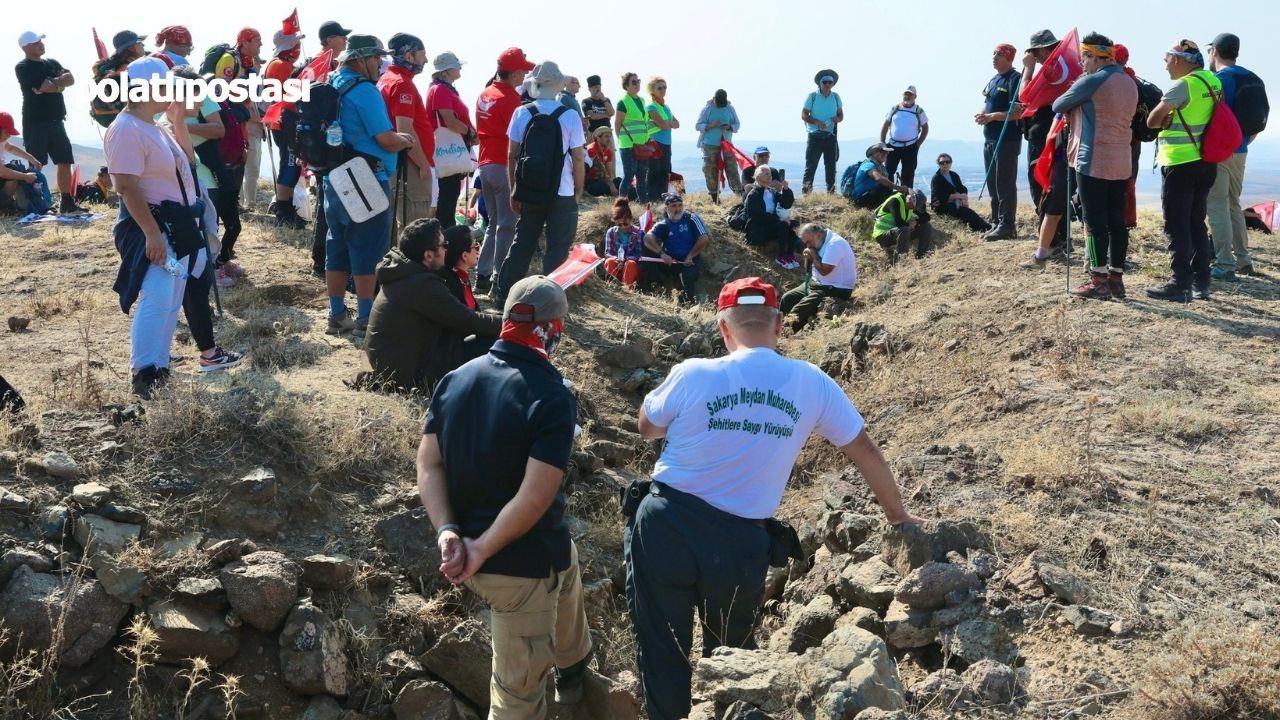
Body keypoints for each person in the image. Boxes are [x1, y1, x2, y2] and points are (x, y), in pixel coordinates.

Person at [628, 276, 924, 720]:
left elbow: (647, 426)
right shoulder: (811, 383)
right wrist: (897, 513)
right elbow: (863, 448)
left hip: (667, 525)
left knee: (662, 649)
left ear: (723, 327)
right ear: (779, 325)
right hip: (739, 542)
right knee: (734, 659)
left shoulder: (693, 373)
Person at [418, 275, 592, 717]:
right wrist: (480, 549)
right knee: (516, 699)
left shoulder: (456, 380)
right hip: (517, 571)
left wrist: (449, 531)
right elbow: (534, 499)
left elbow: (429, 464)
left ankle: (573, 671)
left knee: (566, 556)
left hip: (467, 551)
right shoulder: (551, 396)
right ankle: (561, 681)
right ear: (555, 329)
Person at [107, 57, 221, 397]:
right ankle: (144, 372)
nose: (172, 90)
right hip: (154, 226)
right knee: (158, 295)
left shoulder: (153, 126)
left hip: (177, 225)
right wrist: (152, 234)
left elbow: (187, 162)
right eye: (165, 84)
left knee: (171, 296)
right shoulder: (126, 128)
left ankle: (159, 367)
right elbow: (126, 186)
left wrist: (177, 121)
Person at [322, 34, 415, 338]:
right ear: (361, 59)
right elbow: (385, 139)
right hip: (365, 178)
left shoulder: (331, 83)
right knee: (368, 249)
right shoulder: (364, 91)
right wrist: (405, 140)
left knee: (336, 245)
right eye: (376, 58)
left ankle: (337, 314)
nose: (380, 63)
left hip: (332, 176)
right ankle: (366, 319)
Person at [365, 218, 501, 393]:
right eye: (444, 245)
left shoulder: (406, 272)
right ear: (428, 255)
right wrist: (514, 323)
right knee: (493, 342)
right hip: (405, 378)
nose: (447, 249)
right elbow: (468, 320)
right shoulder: (421, 284)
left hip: (397, 364)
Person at [1051, 33, 1138, 301]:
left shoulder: (1092, 81)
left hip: (1092, 159)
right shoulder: (1129, 82)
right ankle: (1116, 279)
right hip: (1122, 160)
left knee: (1094, 221)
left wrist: (1080, 84)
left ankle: (1097, 280)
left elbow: (1058, 104)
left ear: (1092, 56)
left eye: (1083, 58)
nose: (1081, 64)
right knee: (1117, 221)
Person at [496, 61, 586, 304]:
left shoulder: (521, 112)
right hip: (562, 191)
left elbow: (511, 155)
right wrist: (578, 191)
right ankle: (550, 302)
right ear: (558, 85)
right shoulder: (569, 115)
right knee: (557, 249)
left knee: (522, 243)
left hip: (530, 190)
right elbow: (578, 158)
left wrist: (515, 190)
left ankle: (504, 294)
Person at [1144, 40, 1219, 303]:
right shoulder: (1211, 81)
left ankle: (1180, 285)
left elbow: (1152, 120)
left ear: (1178, 59)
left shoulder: (1182, 85)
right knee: (1196, 222)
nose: (1165, 66)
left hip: (1179, 163)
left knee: (1177, 225)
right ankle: (1202, 283)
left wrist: (1164, 117)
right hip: (1207, 162)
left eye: (1166, 60)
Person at [475, 47, 535, 295]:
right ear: (513, 73)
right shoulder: (510, 98)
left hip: (484, 164)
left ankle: (482, 275)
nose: (525, 77)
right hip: (502, 164)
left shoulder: (485, 93)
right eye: (523, 71)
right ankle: (500, 281)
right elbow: (518, 135)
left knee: (493, 224)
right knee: (507, 226)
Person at [1206, 33, 1258, 280]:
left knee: (1217, 206)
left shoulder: (1218, 80)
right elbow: (1256, 120)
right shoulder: (1251, 77)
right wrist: (1243, 140)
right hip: (1242, 150)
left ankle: (1224, 264)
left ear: (1214, 51)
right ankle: (1244, 260)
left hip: (1220, 152)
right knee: (1233, 205)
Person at [15, 31, 84, 214]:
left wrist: (54, 85)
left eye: (41, 42)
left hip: (57, 120)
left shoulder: (52, 63)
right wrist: (55, 85)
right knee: (36, 163)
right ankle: (37, 204)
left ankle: (67, 202)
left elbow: (70, 79)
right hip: (35, 122)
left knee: (64, 161)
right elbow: (43, 86)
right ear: (26, 47)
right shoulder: (23, 67)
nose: (41, 45)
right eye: (36, 42)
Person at [308, 21, 354, 273]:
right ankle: (322, 260)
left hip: (318, 144)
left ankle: (321, 258)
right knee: (330, 206)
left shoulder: (317, 63)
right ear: (329, 39)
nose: (345, 41)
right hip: (329, 144)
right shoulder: (324, 64)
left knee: (326, 204)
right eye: (341, 36)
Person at [378, 33, 436, 227]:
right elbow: (406, 131)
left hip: (396, 162)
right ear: (409, 56)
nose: (426, 60)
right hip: (409, 166)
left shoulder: (386, 79)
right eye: (422, 54)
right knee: (415, 227)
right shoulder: (402, 84)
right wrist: (423, 164)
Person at [1021, 30, 1068, 246]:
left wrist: (1028, 69)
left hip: (1044, 132)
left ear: (1040, 49)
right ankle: (1057, 238)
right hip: (1058, 130)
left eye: (1034, 53)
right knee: (1056, 183)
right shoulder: (1066, 67)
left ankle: (1050, 242)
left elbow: (1025, 94)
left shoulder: (1051, 69)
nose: (1034, 57)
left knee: (1040, 181)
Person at [263, 29, 308, 230]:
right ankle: (283, 210)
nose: (298, 48)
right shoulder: (281, 66)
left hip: (281, 120)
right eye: (295, 44)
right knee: (290, 164)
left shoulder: (278, 63)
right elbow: (289, 95)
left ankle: (286, 207)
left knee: (291, 163)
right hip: (285, 120)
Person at [977, 43, 1023, 240]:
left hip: (1007, 139)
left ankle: (1007, 225)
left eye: (998, 55)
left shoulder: (1015, 79)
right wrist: (983, 114)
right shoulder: (995, 79)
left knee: (1005, 182)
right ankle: (996, 221)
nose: (994, 57)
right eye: (993, 53)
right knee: (993, 183)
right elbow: (988, 102)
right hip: (990, 138)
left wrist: (992, 116)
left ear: (1009, 57)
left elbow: (1018, 112)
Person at [428, 51, 477, 228]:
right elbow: (449, 120)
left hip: (450, 147)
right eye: (456, 65)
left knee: (450, 194)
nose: (460, 67)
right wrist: (471, 133)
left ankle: (444, 234)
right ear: (447, 70)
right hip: (449, 147)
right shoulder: (440, 89)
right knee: (448, 195)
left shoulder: (442, 88)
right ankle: (444, 234)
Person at [780, 224, 857, 332]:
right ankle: (779, 329)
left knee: (798, 311)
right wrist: (808, 257)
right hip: (817, 283)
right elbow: (809, 268)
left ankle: (785, 334)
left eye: (809, 242)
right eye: (805, 242)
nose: (807, 245)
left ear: (819, 235)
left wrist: (813, 253)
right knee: (787, 298)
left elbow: (824, 271)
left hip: (836, 288)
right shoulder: (818, 243)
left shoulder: (834, 244)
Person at [642, 192, 709, 305]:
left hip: (689, 262)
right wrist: (662, 254)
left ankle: (689, 303)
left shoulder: (691, 218)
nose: (678, 209)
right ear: (666, 208)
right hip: (670, 262)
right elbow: (647, 238)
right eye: (673, 206)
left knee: (686, 276)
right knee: (648, 255)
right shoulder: (663, 224)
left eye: (680, 205)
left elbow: (704, 238)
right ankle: (651, 293)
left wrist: (690, 256)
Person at [743, 165, 798, 269]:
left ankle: (789, 254)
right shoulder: (753, 194)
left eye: (770, 174)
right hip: (758, 229)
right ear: (757, 176)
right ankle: (781, 256)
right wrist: (778, 219)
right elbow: (755, 215)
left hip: (771, 225)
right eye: (766, 173)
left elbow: (786, 204)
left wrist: (786, 190)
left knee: (791, 225)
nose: (769, 176)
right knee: (783, 224)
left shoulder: (772, 192)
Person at [90, 30, 148, 129]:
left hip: (110, 118)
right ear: (132, 48)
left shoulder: (113, 64)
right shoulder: (128, 67)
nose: (143, 45)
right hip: (127, 119)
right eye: (139, 42)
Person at [696, 89, 743, 203]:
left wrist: (729, 127)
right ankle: (714, 196)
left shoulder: (730, 108)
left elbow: (737, 124)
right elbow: (698, 125)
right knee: (710, 170)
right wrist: (710, 125)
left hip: (726, 144)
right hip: (710, 145)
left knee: (732, 169)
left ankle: (739, 196)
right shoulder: (707, 109)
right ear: (714, 99)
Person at [801, 69, 843, 195]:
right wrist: (816, 122)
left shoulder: (836, 97)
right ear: (820, 83)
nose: (828, 84)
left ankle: (831, 192)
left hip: (830, 135)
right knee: (811, 165)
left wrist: (837, 119)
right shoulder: (812, 96)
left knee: (831, 166)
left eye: (830, 82)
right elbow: (804, 114)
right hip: (814, 136)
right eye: (825, 82)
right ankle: (806, 193)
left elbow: (841, 115)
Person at [880, 85, 929, 188]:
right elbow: (885, 125)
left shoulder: (919, 110)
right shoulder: (895, 108)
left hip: (910, 147)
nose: (907, 96)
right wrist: (882, 143)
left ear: (915, 96)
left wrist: (918, 144)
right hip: (892, 145)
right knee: (888, 171)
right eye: (906, 94)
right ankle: (887, 195)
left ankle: (906, 199)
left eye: (910, 94)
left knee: (908, 173)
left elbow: (925, 128)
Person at [930, 154, 992, 232]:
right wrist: (958, 196)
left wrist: (964, 197)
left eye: (947, 162)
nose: (945, 164)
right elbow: (939, 196)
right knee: (968, 212)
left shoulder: (953, 175)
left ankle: (979, 230)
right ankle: (987, 228)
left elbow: (962, 188)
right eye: (942, 162)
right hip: (942, 205)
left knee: (966, 214)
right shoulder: (936, 178)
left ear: (951, 163)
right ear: (939, 164)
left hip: (955, 202)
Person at [614, 72, 651, 202]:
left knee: (641, 176)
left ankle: (643, 204)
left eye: (638, 81)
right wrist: (621, 140)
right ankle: (621, 204)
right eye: (633, 82)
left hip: (642, 145)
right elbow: (617, 124)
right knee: (629, 176)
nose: (637, 84)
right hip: (628, 145)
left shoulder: (642, 100)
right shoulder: (623, 102)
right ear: (626, 86)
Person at [439, 225, 489, 316]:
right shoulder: (451, 284)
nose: (478, 251)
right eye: (475, 247)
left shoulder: (461, 277)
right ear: (464, 256)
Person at [844, 143, 910, 209]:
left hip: (871, 196)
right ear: (874, 153)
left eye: (887, 153)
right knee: (884, 188)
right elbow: (878, 178)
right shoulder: (868, 164)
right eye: (882, 152)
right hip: (860, 199)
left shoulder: (881, 167)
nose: (885, 154)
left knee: (899, 195)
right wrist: (898, 187)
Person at [872, 190, 933, 263]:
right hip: (883, 235)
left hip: (899, 233)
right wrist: (909, 225)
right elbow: (899, 223)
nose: (914, 209)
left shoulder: (910, 205)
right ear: (909, 199)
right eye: (914, 206)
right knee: (904, 229)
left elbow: (927, 217)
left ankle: (921, 256)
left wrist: (915, 222)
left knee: (926, 226)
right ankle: (900, 262)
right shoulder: (895, 201)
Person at [645, 77, 679, 202]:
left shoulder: (666, 107)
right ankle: (652, 198)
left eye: (664, 87)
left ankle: (663, 198)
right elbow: (663, 125)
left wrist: (667, 123)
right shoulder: (651, 107)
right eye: (659, 88)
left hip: (666, 143)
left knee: (665, 171)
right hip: (654, 142)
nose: (663, 90)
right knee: (654, 170)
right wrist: (669, 123)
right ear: (652, 90)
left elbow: (677, 123)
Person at [603, 197, 644, 287]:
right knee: (610, 261)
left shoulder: (638, 232)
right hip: (617, 264)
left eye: (625, 224)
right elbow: (608, 252)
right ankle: (611, 287)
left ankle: (626, 290)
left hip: (632, 266)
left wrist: (625, 260)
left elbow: (639, 253)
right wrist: (616, 259)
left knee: (630, 264)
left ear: (631, 219)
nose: (623, 227)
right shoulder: (611, 232)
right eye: (619, 224)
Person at [584, 126, 618, 197]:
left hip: (601, 180)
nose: (609, 139)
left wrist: (613, 184)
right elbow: (600, 171)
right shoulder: (591, 149)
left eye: (610, 136)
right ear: (598, 138)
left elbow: (609, 172)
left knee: (619, 182)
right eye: (606, 136)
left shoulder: (608, 152)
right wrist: (611, 185)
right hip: (589, 182)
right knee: (600, 187)